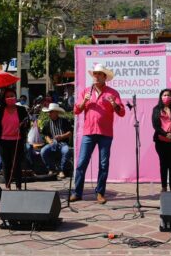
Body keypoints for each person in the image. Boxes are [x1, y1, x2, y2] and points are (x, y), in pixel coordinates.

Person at [70, 63, 125, 204]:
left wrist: (114, 104)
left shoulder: (112, 93)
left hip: (105, 133)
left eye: (99, 74)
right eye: (95, 74)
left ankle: (100, 193)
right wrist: (84, 101)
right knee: (82, 162)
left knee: (103, 164)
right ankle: (77, 192)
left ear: (104, 77)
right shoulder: (86, 92)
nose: (96, 76)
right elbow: (76, 110)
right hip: (89, 132)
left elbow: (122, 112)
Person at [0, 88, 29, 190]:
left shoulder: (21, 110)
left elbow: (27, 123)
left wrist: (23, 124)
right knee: (6, 164)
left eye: (12, 95)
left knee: (17, 164)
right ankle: (8, 185)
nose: (10, 98)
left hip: (17, 140)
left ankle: (18, 186)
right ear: (4, 98)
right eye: (8, 96)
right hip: (2, 141)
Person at [40, 103, 72, 178]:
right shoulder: (47, 123)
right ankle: (51, 169)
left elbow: (70, 133)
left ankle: (61, 170)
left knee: (66, 150)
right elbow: (45, 135)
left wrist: (61, 136)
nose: (49, 114)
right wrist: (49, 140)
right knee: (43, 151)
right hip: (52, 143)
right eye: (49, 112)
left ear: (56, 112)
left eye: (51, 112)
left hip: (63, 143)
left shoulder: (64, 121)